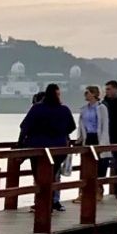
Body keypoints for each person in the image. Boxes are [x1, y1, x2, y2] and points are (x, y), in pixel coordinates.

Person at [19, 84, 76, 212]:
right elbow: (72, 127)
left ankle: (42, 204)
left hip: (37, 147)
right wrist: (59, 132)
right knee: (51, 175)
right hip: (58, 147)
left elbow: (24, 127)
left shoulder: (37, 109)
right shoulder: (64, 110)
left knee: (39, 177)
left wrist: (20, 144)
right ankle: (49, 203)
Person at [76, 85, 112, 184]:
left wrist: (103, 142)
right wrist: (80, 138)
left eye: (87, 93)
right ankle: (85, 191)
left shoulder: (101, 108)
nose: (85, 95)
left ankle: (98, 189)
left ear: (94, 94)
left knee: (100, 165)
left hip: (98, 137)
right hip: (88, 137)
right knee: (87, 165)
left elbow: (105, 126)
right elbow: (81, 125)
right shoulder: (84, 109)